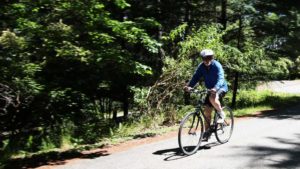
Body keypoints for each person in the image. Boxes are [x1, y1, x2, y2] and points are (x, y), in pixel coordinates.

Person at [184, 49, 228, 140]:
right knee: (207, 111)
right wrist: (189, 86)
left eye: (209, 58)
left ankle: (221, 114)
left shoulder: (217, 65)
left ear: (212, 58)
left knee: (212, 98)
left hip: (221, 87)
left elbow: (221, 78)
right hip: (209, 89)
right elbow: (195, 77)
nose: (207, 60)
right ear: (202, 58)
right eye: (205, 58)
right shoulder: (201, 66)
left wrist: (216, 88)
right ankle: (207, 133)